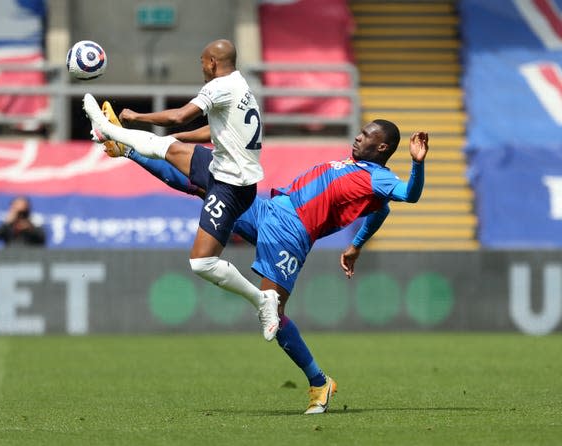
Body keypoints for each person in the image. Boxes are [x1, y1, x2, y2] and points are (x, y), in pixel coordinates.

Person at [98, 108, 429, 414]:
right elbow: (379, 209)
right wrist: (356, 245)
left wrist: (417, 163)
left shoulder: (379, 177)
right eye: (360, 131)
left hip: (291, 233)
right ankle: (125, 149)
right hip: (270, 210)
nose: (358, 136)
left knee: (273, 311)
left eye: (366, 135)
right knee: (205, 185)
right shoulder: (359, 171)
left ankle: (320, 381)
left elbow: (407, 196)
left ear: (382, 147)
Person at [82, 39, 281, 342]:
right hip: (224, 168)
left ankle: (262, 301)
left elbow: (179, 115)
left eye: (202, 61)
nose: (201, 67)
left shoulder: (217, 87)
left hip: (231, 187)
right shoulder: (240, 84)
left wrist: (137, 117)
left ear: (213, 62)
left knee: (202, 263)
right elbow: (217, 129)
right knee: (167, 152)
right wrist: (181, 138)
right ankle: (120, 142)